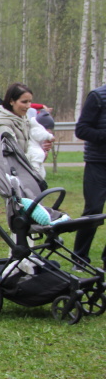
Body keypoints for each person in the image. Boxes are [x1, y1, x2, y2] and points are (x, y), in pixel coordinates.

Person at [0, 83, 54, 177]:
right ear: (11, 101)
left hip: (27, 179)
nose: (28, 106)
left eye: (30, 102)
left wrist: (40, 149)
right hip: (13, 182)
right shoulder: (3, 126)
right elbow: (10, 161)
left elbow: (27, 151)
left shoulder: (25, 121)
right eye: (24, 102)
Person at [73, 83, 106, 270]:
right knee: (93, 210)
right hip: (98, 163)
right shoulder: (98, 96)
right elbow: (82, 130)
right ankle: (79, 258)